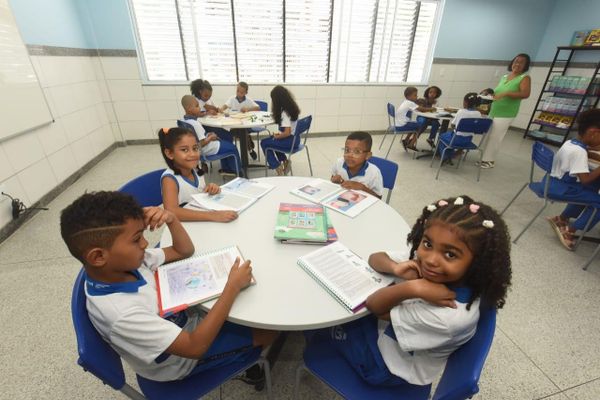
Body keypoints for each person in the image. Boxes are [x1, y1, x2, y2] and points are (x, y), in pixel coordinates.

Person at [60, 191, 277, 385]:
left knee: (253, 307)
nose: (145, 244)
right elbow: (195, 347)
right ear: (98, 256)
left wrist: (172, 218)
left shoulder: (127, 264)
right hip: (179, 363)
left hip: (187, 322)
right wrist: (232, 287)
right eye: (137, 239)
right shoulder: (121, 313)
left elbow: (183, 251)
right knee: (269, 331)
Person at [317, 195, 511, 386]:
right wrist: (394, 267)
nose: (431, 259)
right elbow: (375, 259)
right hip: (388, 333)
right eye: (427, 243)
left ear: (477, 263)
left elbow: (375, 306)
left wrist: (413, 287)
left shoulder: (450, 317)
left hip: (385, 366)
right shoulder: (428, 260)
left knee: (325, 319)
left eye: (450, 254)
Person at [546, 109, 600, 250]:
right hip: (563, 189)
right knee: (594, 195)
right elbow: (585, 180)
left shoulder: (571, 143)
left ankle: (562, 218)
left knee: (592, 189)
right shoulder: (579, 152)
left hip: (553, 183)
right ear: (594, 132)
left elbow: (586, 158)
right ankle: (570, 231)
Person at [158, 127, 238, 223]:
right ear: (169, 153)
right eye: (184, 150)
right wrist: (213, 216)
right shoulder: (169, 179)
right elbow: (171, 211)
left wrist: (210, 189)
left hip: (201, 221)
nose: (193, 154)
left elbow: (199, 194)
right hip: (185, 228)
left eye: (195, 148)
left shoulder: (195, 170)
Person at [479, 53, 531, 169]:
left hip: (506, 113)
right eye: (516, 61)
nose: (517, 64)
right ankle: (483, 157)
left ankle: (489, 160)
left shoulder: (524, 78)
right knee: (488, 134)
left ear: (525, 65)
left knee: (496, 136)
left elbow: (525, 94)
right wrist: (489, 92)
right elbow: (498, 93)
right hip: (494, 110)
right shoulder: (504, 77)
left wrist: (507, 93)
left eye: (521, 62)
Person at [180, 95, 242, 176]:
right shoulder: (195, 124)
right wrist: (210, 138)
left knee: (226, 142)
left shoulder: (184, 121)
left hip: (198, 149)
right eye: (197, 106)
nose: (199, 108)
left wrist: (208, 135)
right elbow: (200, 143)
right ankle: (238, 172)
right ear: (189, 108)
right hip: (206, 149)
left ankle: (227, 168)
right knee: (232, 148)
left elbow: (197, 138)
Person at [260, 85, 300, 176]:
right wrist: (278, 136)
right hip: (295, 139)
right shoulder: (292, 107)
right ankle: (285, 161)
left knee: (264, 143)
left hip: (290, 141)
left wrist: (278, 136)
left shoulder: (284, 113)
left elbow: (287, 132)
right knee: (272, 140)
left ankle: (278, 168)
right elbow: (289, 130)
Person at [330, 131, 384, 199]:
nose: (350, 155)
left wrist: (362, 188)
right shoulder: (339, 163)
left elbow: (378, 198)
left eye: (357, 152)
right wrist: (334, 180)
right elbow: (332, 178)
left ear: (367, 155)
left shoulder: (374, 173)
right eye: (347, 150)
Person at [436, 92, 483, 163]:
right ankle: (456, 153)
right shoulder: (479, 114)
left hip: (456, 139)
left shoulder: (461, 111)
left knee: (442, 136)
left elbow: (453, 125)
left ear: (466, 102)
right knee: (450, 137)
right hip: (468, 141)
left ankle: (446, 156)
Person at [220, 82, 261, 161]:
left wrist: (248, 109)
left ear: (246, 93)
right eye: (237, 91)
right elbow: (225, 106)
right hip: (233, 125)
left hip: (245, 124)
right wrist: (221, 109)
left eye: (241, 92)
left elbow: (258, 108)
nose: (239, 93)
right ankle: (250, 148)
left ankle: (249, 148)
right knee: (243, 133)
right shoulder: (232, 99)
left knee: (243, 132)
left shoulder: (248, 100)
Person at [190, 79, 234, 143]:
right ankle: (228, 147)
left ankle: (227, 146)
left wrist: (218, 109)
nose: (207, 98)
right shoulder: (194, 100)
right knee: (227, 135)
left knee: (227, 131)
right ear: (200, 92)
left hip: (210, 124)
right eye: (206, 95)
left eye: (209, 96)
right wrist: (207, 112)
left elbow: (213, 107)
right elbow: (196, 114)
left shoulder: (205, 100)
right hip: (203, 127)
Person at [396, 87, 436, 151]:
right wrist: (431, 109)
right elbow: (421, 109)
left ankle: (406, 140)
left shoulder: (406, 102)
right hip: (402, 125)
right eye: (415, 95)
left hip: (399, 123)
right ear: (409, 96)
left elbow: (417, 109)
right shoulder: (410, 103)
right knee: (420, 126)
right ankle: (411, 144)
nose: (416, 96)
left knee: (416, 124)